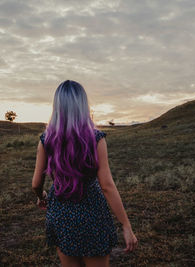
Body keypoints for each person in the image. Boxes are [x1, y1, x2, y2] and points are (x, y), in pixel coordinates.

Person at [32, 80, 137, 267]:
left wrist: (41, 196)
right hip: (92, 214)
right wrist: (126, 225)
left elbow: (35, 184)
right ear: (82, 105)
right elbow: (107, 185)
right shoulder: (96, 138)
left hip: (60, 214)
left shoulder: (46, 140)